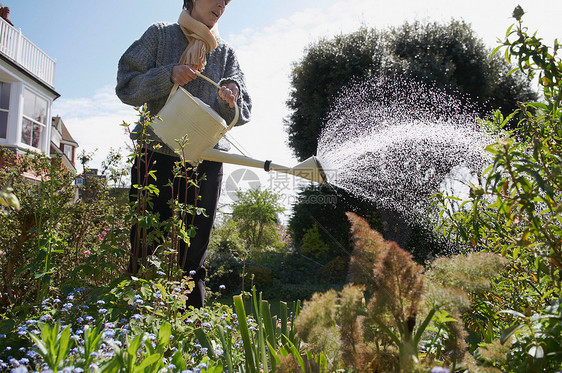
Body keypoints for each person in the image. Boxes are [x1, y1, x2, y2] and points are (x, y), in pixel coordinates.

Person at [116, 0, 252, 308]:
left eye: (227, 2)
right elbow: (126, 86)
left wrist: (229, 97)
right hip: (155, 155)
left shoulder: (226, 53)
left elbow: (242, 112)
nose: (222, 4)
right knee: (145, 246)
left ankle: (192, 340)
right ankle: (134, 329)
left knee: (193, 258)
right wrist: (169, 75)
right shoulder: (159, 36)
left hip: (207, 161)